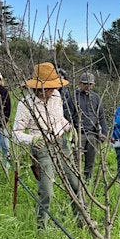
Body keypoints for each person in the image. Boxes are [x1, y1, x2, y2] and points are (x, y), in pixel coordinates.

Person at [12, 62, 81, 230]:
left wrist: (69, 128)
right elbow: (15, 133)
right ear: (39, 87)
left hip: (62, 143)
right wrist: (32, 140)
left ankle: (81, 221)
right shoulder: (25, 104)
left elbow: (59, 119)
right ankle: (41, 227)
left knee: (75, 184)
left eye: (54, 86)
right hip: (41, 146)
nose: (53, 89)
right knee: (47, 191)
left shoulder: (57, 96)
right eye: (49, 87)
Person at [73, 72, 108, 180]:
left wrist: (104, 133)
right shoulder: (74, 96)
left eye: (91, 84)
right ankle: (75, 182)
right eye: (86, 84)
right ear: (80, 83)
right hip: (79, 134)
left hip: (92, 134)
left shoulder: (96, 97)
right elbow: (68, 114)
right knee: (76, 161)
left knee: (90, 161)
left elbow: (101, 116)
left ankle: (88, 182)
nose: (88, 87)